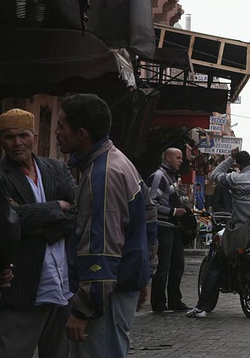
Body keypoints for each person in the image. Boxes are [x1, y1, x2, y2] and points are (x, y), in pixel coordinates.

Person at [55, 93, 158, 358]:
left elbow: (101, 246)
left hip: (106, 295)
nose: (56, 133)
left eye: (61, 126)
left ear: (81, 133)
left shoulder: (104, 174)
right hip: (118, 287)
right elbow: (147, 220)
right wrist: (144, 272)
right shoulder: (116, 162)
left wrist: (83, 309)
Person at [0, 108, 77, 358]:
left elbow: (77, 213)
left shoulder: (57, 168)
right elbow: (7, 221)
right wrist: (57, 207)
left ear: (34, 136)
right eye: (9, 137)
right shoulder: (2, 175)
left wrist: (31, 220)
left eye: (23, 135)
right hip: (22, 289)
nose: (17, 143)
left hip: (62, 286)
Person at [188, 150, 250, 318]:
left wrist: (229, 159)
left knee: (216, 265)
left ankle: (202, 307)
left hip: (239, 234)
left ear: (238, 165)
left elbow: (214, 175)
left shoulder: (235, 179)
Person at [147, 147, 190, 313]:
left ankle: (175, 301)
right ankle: (159, 304)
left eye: (181, 158)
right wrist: (173, 212)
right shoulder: (159, 177)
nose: (181, 161)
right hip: (162, 227)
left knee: (177, 265)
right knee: (163, 266)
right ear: (167, 158)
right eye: (178, 158)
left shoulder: (172, 177)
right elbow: (151, 203)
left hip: (174, 228)